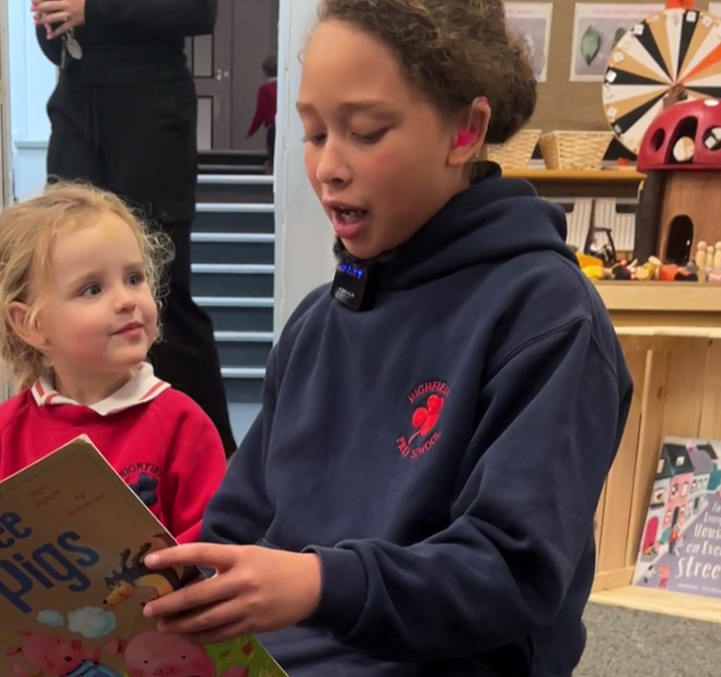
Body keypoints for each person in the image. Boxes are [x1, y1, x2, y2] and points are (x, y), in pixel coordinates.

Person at [140, 1, 634, 676]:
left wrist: (318, 584)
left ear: (465, 131)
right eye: (314, 134)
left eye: (365, 132)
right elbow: (240, 522)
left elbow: (512, 572)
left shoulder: (548, 316)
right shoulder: (316, 323)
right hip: (284, 653)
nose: (328, 168)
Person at [0, 183, 229, 677]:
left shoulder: (181, 422)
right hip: (28, 642)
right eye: (93, 289)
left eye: (134, 278)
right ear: (30, 325)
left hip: (140, 639)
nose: (126, 300)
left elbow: (213, 547)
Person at [29, 0, 238, 456]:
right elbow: (61, 43)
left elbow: (199, 12)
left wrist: (91, 10)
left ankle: (221, 468)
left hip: (149, 109)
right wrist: (55, 21)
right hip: (75, 101)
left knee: (161, 298)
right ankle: (77, 452)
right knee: (62, 282)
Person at [247, 53, 278, 175]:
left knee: (272, 156)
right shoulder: (286, 86)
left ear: (266, 72)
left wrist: (251, 131)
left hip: (272, 127)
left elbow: (260, 112)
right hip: (284, 128)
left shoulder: (264, 89)